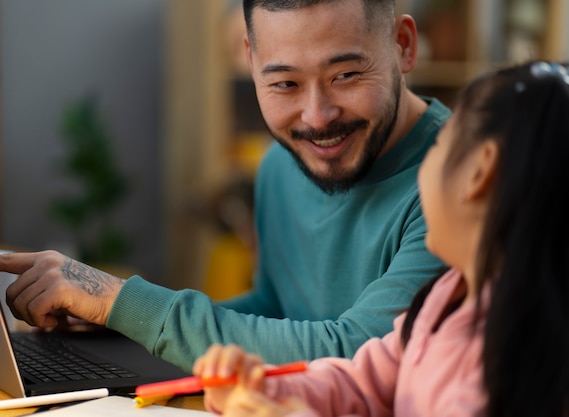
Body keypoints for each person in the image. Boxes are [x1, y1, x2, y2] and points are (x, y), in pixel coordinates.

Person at [0, 0, 449, 373]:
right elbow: (278, 306)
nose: (316, 117)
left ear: (403, 45)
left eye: (345, 76)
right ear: (250, 61)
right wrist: (122, 325)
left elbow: (362, 354)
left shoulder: (459, 183)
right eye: (285, 83)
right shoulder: (283, 164)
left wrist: (125, 303)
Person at [191, 61, 569, 417]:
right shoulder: (450, 296)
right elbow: (364, 379)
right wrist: (268, 388)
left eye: (439, 147)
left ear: (479, 173)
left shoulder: (526, 363)